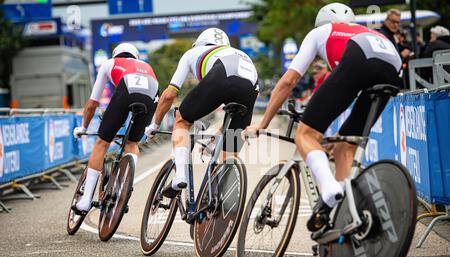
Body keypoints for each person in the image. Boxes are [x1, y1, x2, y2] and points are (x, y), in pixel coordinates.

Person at [243, 2, 402, 232]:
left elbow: (289, 81)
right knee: (344, 145)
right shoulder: (365, 31)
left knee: (306, 135)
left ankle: (329, 190)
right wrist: (335, 136)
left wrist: (263, 122)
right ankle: (346, 216)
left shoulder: (320, 32)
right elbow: (348, 95)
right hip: (393, 66)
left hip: (361, 58)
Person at [145, 28, 259, 198]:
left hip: (221, 76)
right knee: (230, 150)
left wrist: (154, 124)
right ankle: (221, 200)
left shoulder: (193, 53)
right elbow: (233, 108)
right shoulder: (241, 53)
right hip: (251, 86)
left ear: (198, 43)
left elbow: (169, 94)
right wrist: (217, 137)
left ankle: (180, 176)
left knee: (182, 121)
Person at [72, 43, 159, 213]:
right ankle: (124, 188)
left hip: (127, 88)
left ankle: (86, 200)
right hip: (152, 92)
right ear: (136, 57)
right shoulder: (146, 66)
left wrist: (83, 127)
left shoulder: (109, 63)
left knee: (102, 143)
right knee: (132, 142)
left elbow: (92, 103)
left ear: (115, 55)